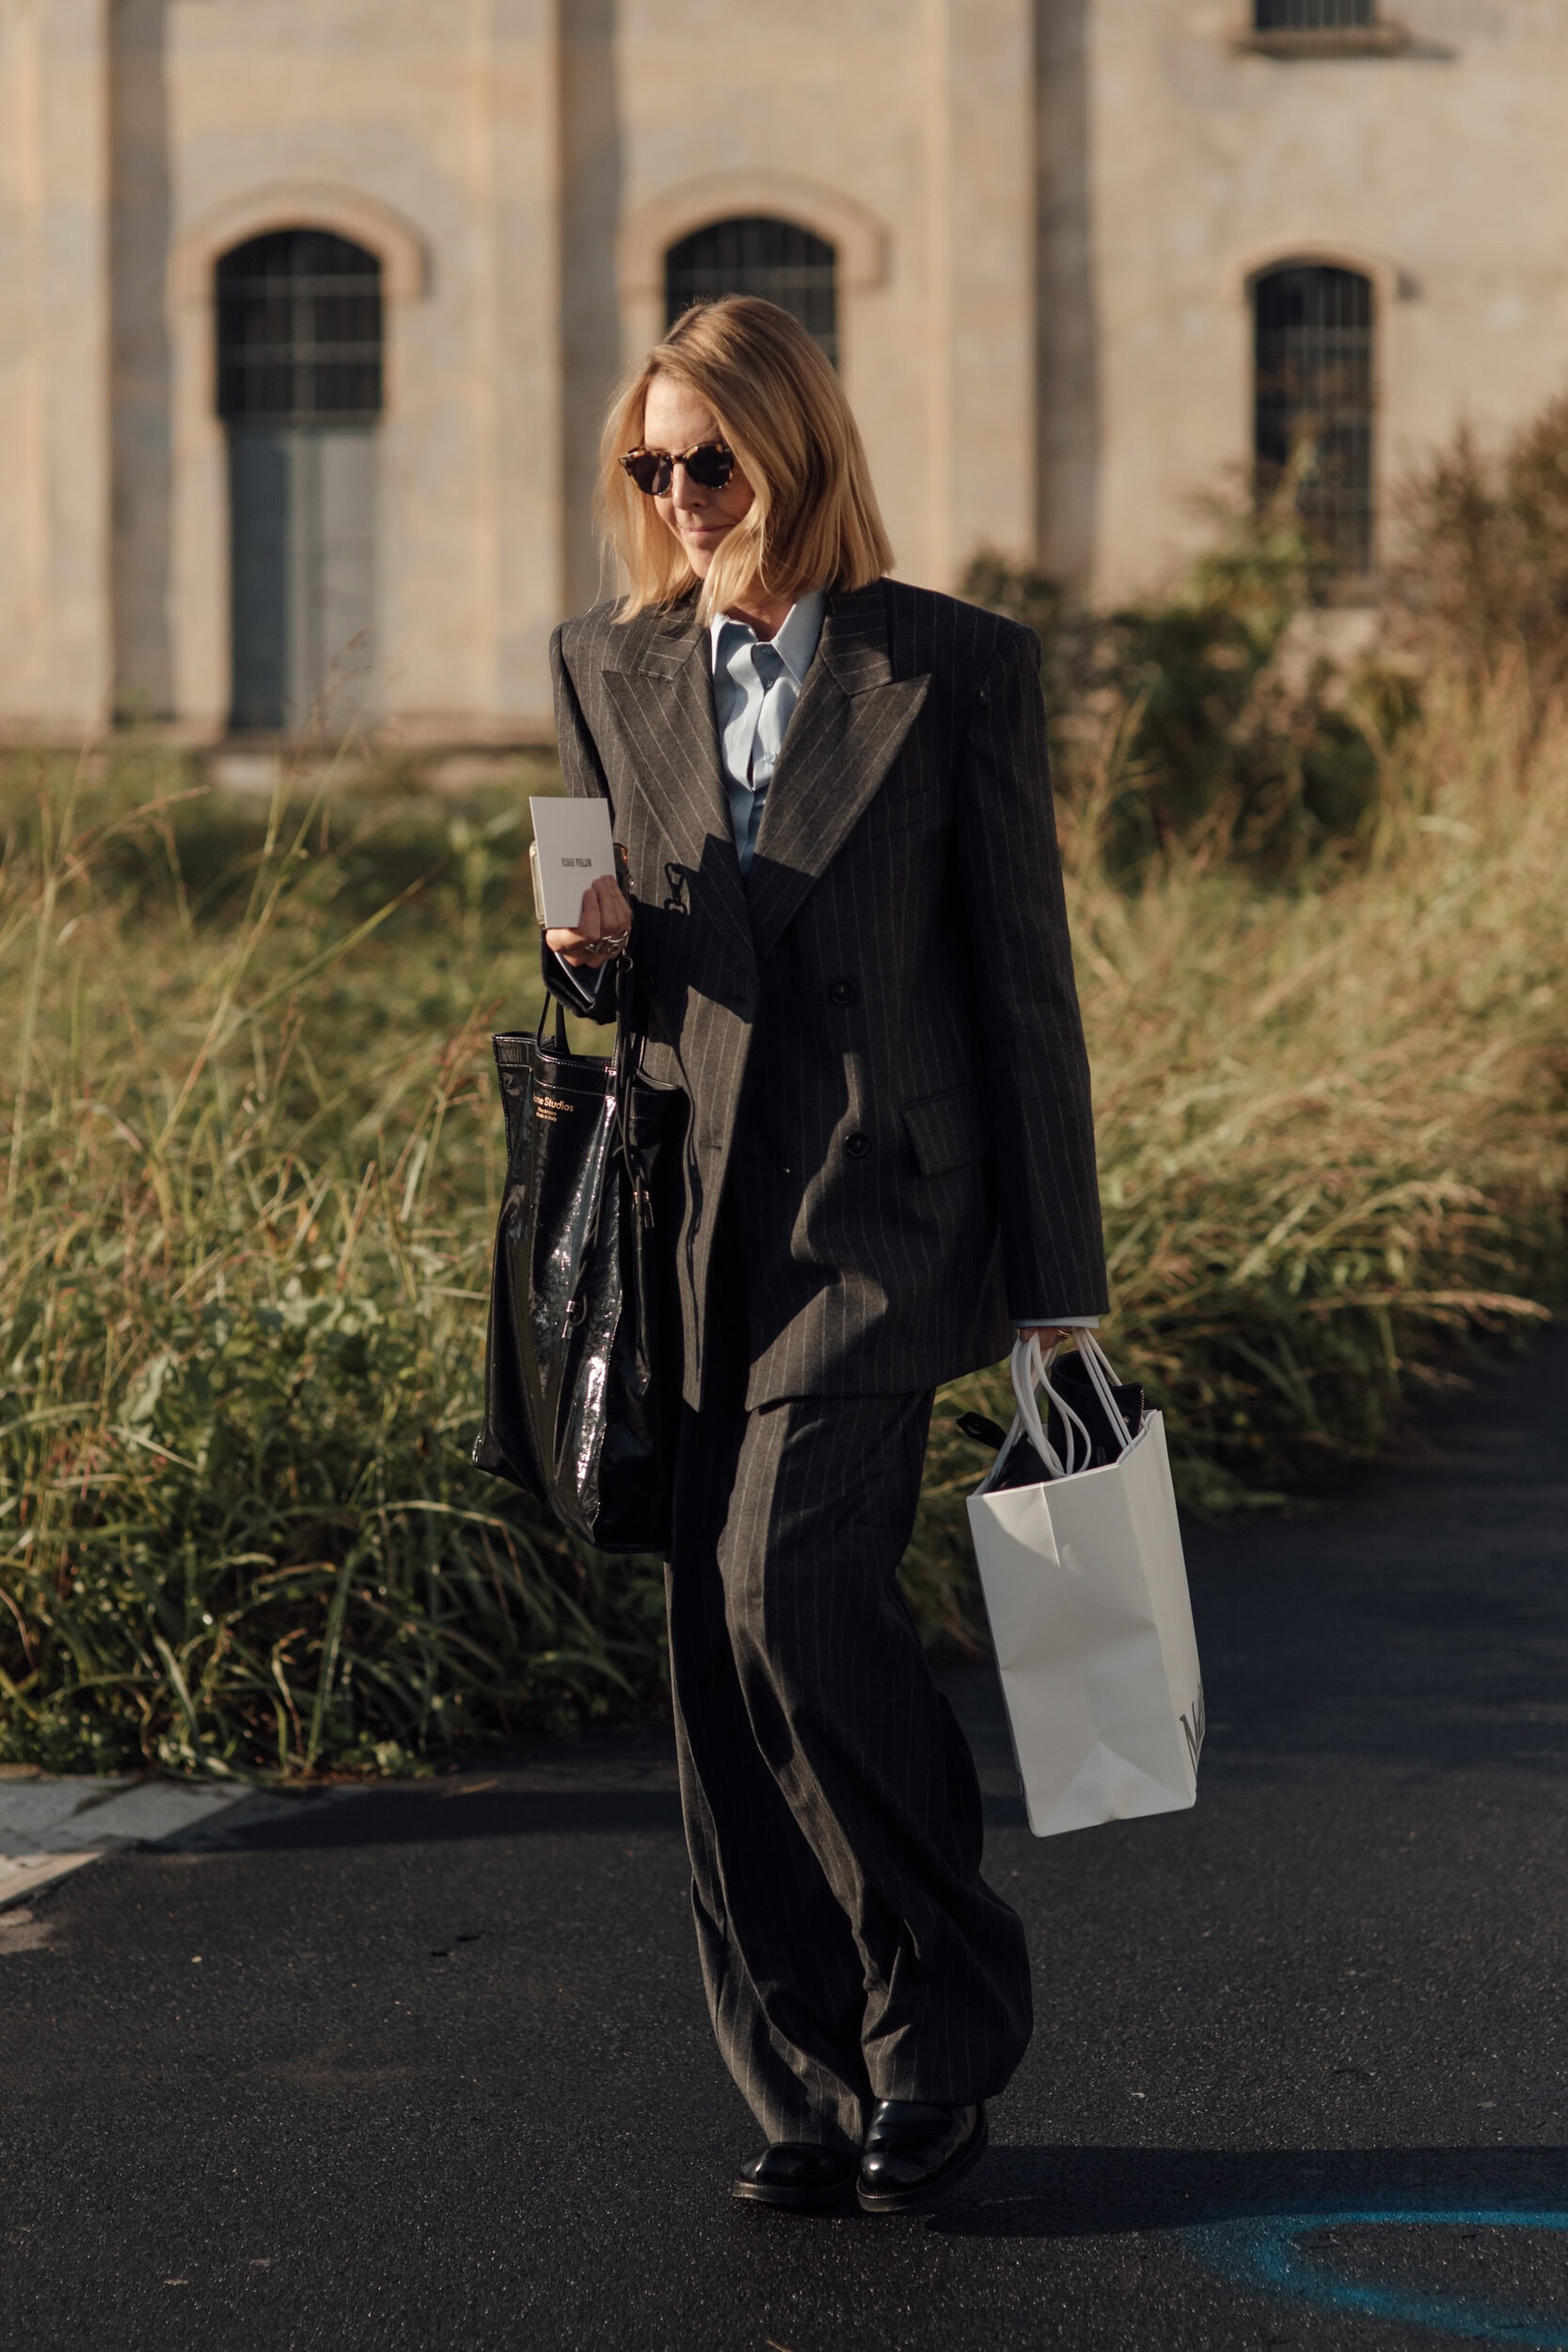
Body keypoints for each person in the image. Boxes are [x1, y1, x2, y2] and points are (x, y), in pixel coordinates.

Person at [541, 296, 1108, 2215]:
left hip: (881, 1213)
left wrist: (1059, 1290)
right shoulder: (606, 664)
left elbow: (1024, 989)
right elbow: (601, 963)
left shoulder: (948, 666)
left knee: (784, 1594)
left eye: (710, 459)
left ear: (793, 449)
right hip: (687, 1212)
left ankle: (938, 2025)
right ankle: (804, 2078)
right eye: (651, 467)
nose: (679, 498)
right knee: (710, 1656)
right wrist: (585, 954)